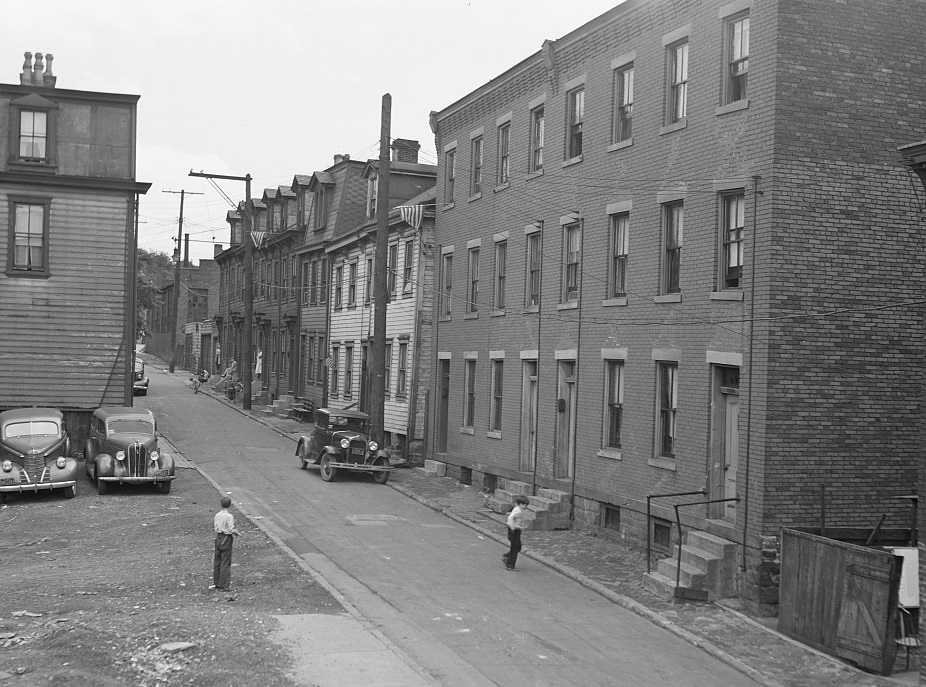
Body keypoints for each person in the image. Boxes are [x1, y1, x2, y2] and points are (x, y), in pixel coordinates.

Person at [211, 496, 240, 590]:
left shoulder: (217, 515)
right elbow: (231, 528)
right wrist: (237, 532)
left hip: (218, 537)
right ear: (230, 505)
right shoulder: (229, 516)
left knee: (217, 560)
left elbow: (216, 526)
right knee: (225, 561)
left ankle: (216, 582)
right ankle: (223, 584)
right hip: (226, 538)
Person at [502, 496, 530, 570]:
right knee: (515, 547)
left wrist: (521, 526)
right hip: (514, 530)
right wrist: (512, 527)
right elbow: (510, 518)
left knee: (517, 547)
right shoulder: (517, 511)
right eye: (525, 505)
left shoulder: (518, 509)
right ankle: (510, 564)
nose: (526, 506)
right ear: (520, 504)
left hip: (516, 529)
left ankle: (507, 557)